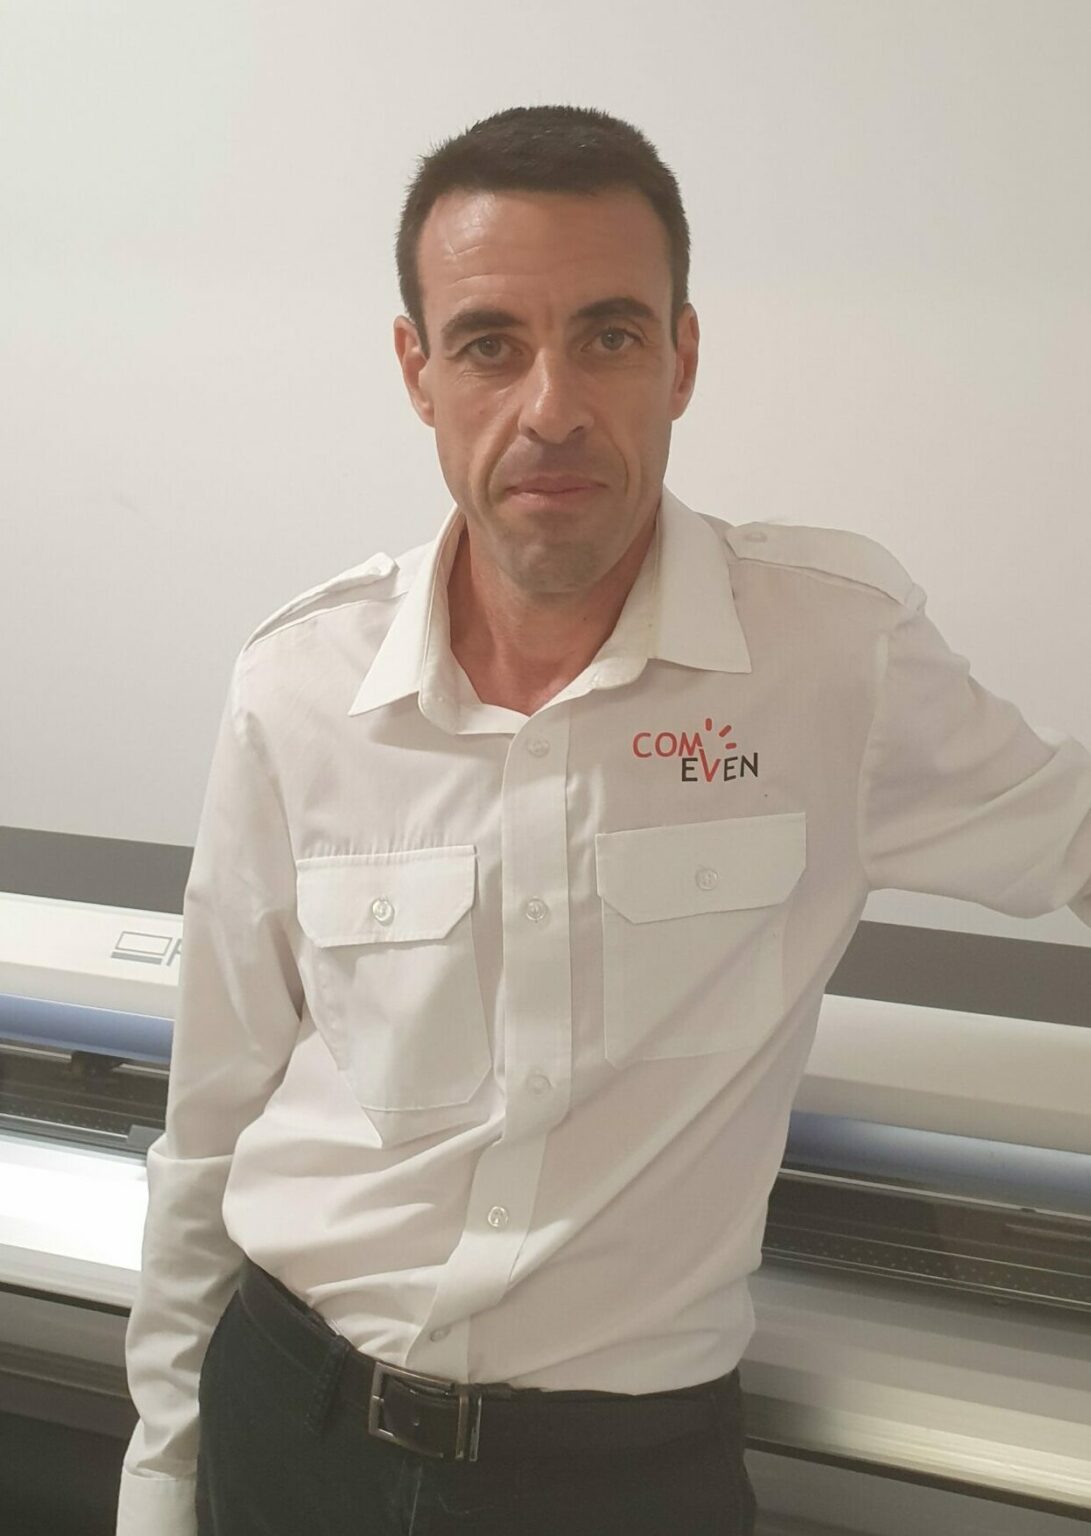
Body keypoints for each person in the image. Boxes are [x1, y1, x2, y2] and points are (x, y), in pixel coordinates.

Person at [116, 104, 1091, 1536]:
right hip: (290, 1419)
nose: (553, 407)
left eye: (611, 336)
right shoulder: (299, 687)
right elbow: (210, 1121)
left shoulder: (834, 660)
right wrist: (160, 1478)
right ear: (418, 371)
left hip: (621, 1479)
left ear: (682, 359)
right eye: (489, 344)